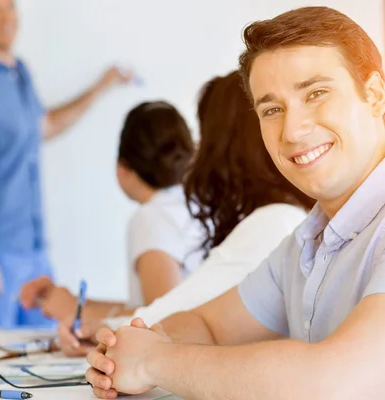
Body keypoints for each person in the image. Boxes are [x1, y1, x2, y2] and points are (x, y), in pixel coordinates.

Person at [85, 6, 385, 400]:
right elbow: (209, 327)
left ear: (376, 93)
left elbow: (335, 381)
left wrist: (153, 361)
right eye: (272, 110)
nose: (293, 130)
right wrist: (126, 351)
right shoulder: (309, 241)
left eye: (315, 94)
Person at [54, 70, 315, 356]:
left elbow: (179, 312)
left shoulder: (273, 223)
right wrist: (109, 327)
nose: (198, 154)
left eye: (205, 139)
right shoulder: (288, 217)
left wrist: (108, 330)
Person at [0, 0, 132, 328]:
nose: (6, 19)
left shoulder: (20, 74)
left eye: (10, 7)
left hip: (34, 251)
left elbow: (45, 126)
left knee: (44, 357)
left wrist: (101, 87)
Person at [20, 101, 205, 323]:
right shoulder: (196, 205)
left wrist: (78, 313)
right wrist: (74, 303)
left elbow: (163, 319)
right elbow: (147, 308)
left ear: (123, 167)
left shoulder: (151, 218)